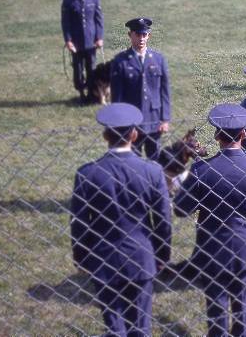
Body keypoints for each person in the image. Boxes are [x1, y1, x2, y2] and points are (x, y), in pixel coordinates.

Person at [70, 102, 172, 336]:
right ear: (135, 135)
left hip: (104, 258)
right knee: (140, 324)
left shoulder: (87, 174)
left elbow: (79, 222)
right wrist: (162, 255)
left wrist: (81, 257)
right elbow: (163, 219)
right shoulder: (152, 171)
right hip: (142, 255)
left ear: (105, 135)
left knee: (114, 324)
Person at [174, 103, 246, 336]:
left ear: (217, 135)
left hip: (212, 247)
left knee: (216, 304)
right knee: (244, 303)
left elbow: (180, 209)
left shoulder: (201, 170)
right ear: (243, 134)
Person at [110, 17, 171, 161]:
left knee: (155, 159)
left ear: (149, 35)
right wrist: (120, 122)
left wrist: (165, 119)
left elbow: (164, 91)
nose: (141, 38)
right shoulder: (120, 61)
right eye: (138, 34)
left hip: (154, 119)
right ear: (130, 35)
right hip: (131, 121)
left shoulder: (158, 59)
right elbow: (117, 96)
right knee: (132, 159)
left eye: (144, 35)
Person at [61, 0, 104, 103]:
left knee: (91, 69)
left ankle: (92, 94)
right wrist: (68, 41)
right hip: (76, 42)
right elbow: (65, 22)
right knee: (78, 70)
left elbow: (99, 20)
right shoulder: (69, 0)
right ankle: (81, 94)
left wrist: (99, 38)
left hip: (91, 41)